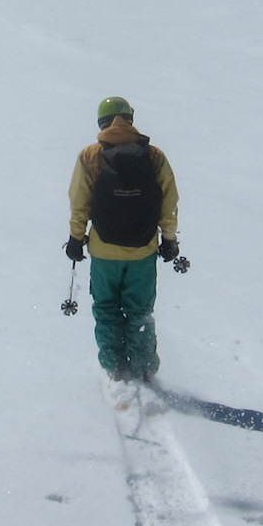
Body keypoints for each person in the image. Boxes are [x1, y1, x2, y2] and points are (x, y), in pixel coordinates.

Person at [65, 96, 180, 382]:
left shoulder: (89, 156)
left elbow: (79, 203)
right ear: (130, 119)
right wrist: (169, 238)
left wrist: (76, 239)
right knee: (139, 310)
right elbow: (169, 201)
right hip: (143, 251)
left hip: (103, 251)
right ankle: (144, 369)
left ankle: (114, 365)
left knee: (106, 308)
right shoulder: (154, 156)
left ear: (101, 122)